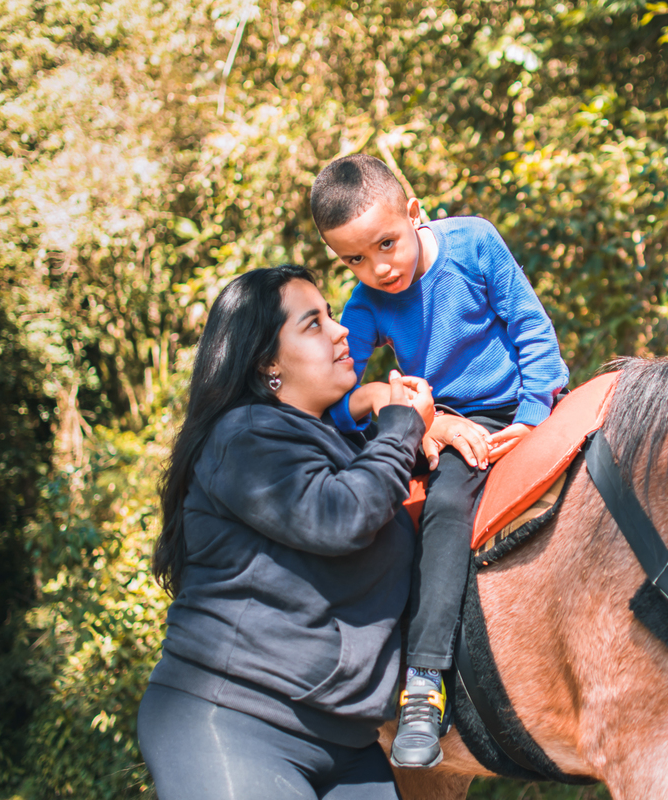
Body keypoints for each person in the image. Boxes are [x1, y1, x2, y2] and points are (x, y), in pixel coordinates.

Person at [308, 154, 570, 768]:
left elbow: (530, 327)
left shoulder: (474, 242)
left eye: (386, 245)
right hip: (452, 423)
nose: (378, 267)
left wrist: (533, 417)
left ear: (414, 213)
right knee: (445, 507)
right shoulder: (367, 302)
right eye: (354, 259)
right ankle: (425, 681)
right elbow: (338, 396)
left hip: (528, 402)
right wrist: (423, 419)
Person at [138, 265, 436, 800]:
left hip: (348, 743)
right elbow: (339, 517)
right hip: (231, 720)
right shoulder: (243, 434)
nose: (342, 329)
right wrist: (401, 427)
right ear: (268, 363)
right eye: (314, 323)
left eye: (332, 316)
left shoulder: (343, 448)